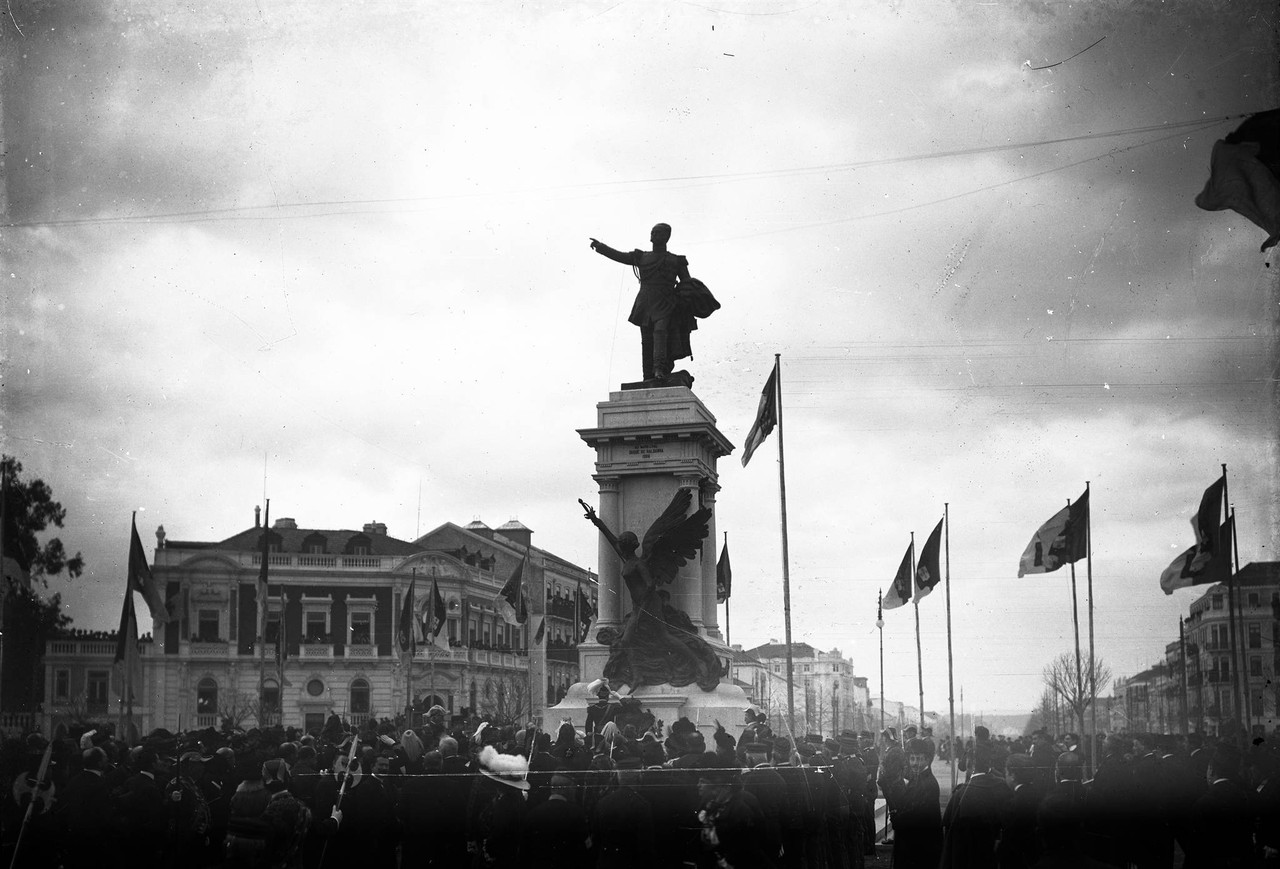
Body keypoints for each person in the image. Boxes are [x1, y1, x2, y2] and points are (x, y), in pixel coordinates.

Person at [589, 224, 717, 383]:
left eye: (658, 233)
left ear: (666, 236)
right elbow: (620, 256)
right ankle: (647, 375)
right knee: (647, 338)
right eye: (653, 232)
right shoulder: (641, 257)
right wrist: (601, 247)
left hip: (667, 302)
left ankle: (659, 368)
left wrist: (686, 300)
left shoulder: (676, 260)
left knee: (660, 332)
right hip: (645, 303)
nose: (654, 235)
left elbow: (687, 283)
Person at [882, 737, 943, 869]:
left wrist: (896, 815)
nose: (915, 763)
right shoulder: (917, 780)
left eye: (919, 759)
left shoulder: (928, 784)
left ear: (927, 759)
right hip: (914, 846)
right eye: (912, 759)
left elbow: (914, 817)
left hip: (921, 849)